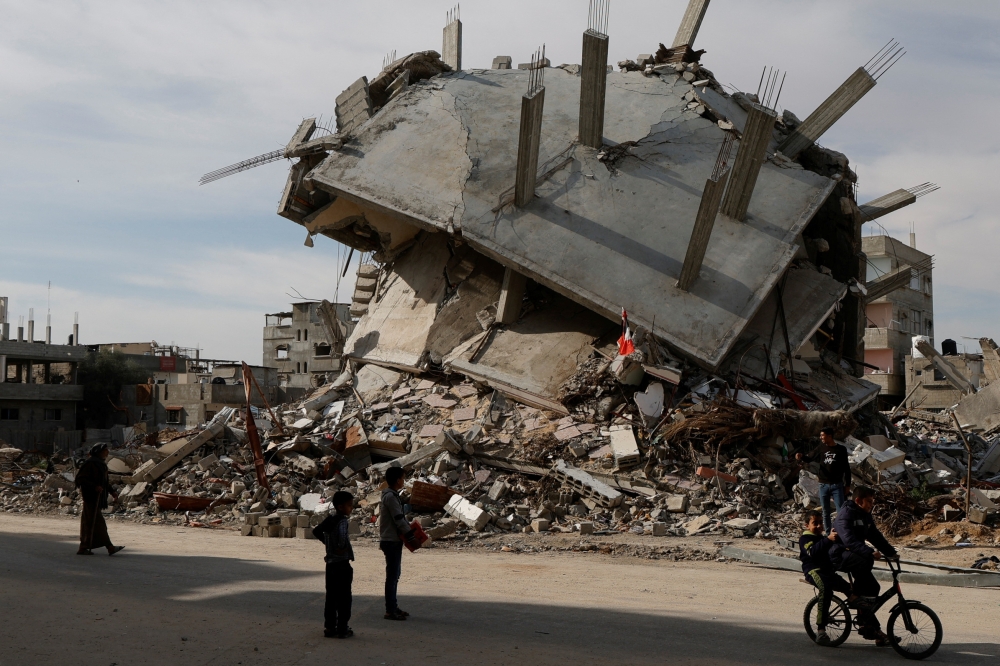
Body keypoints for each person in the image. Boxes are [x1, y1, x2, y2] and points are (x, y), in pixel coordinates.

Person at [830, 485, 898, 647]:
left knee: (873, 588)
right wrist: (869, 552)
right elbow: (849, 541)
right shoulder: (845, 515)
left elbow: (875, 536)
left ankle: (867, 625)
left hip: (854, 555)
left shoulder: (865, 516)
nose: (871, 504)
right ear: (858, 500)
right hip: (840, 556)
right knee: (865, 561)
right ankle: (863, 612)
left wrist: (891, 552)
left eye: (872, 501)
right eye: (869, 501)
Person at [799, 510, 851, 646]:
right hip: (813, 571)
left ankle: (870, 628)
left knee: (851, 590)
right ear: (807, 526)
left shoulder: (822, 538)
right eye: (814, 523)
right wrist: (828, 539)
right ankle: (821, 630)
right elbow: (813, 552)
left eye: (820, 523)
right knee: (826, 589)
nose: (818, 526)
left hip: (828, 571)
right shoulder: (805, 539)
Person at [313, 491, 356, 639]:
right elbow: (343, 539)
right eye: (349, 505)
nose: (352, 508)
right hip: (342, 564)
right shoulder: (343, 521)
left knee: (331, 597)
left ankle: (330, 627)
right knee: (344, 597)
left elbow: (316, 531)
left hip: (331, 565)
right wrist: (340, 548)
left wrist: (328, 545)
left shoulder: (330, 519)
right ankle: (342, 628)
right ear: (340, 506)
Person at [796, 427, 851, 532]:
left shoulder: (841, 449)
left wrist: (847, 485)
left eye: (822, 435)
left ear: (829, 436)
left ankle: (842, 533)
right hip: (823, 485)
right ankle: (827, 533)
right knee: (826, 512)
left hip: (837, 485)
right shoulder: (821, 448)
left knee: (841, 511)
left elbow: (846, 468)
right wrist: (801, 456)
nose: (820, 437)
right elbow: (810, 458)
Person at [74, 443, 125, 556]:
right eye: (105, 451)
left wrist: (112, 491)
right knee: (98, 523)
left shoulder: (101, 464)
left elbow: (104, 482)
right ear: (98, 452)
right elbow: (80, 479)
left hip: (97, 497)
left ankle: (83, 548)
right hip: (90, 497)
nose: (107, 453)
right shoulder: (90, 463)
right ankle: (109, 547)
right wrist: (94, 486)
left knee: (90, 522)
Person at [379, 466, 416, 621]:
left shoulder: (392, 495)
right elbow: (398, 518)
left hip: (393, 539)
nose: (404, 481)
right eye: (402, 478)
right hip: (391, 540)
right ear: (397, 480)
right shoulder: (391, 497)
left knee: (395, 575)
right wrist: (411, 535)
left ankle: (393, 606)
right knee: (393, 576)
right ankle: (390, 610)